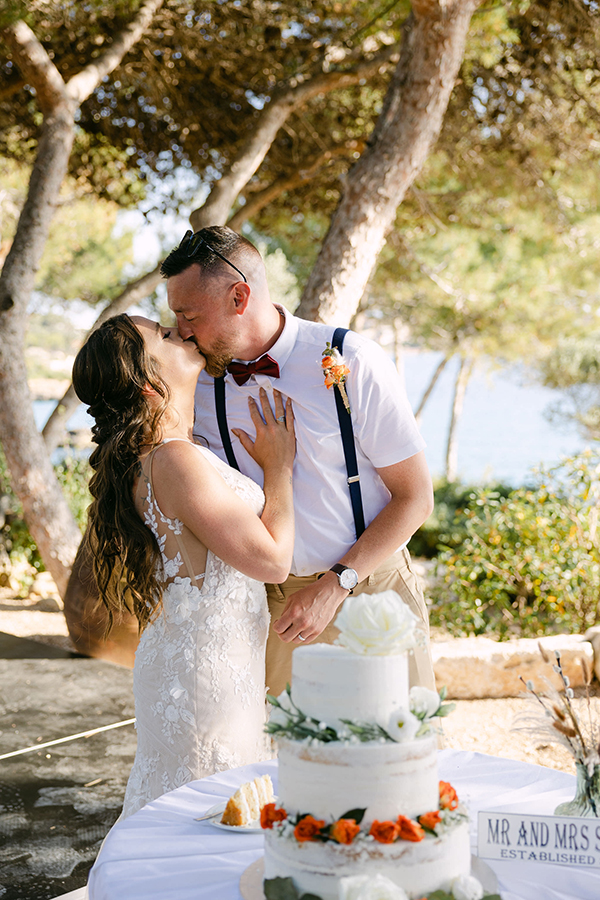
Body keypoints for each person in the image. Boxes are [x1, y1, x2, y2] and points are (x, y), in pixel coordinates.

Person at [160, 226, 436, 697]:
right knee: (297, 763)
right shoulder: (193, 384)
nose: (182, 330)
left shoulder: (351, 360)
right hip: (269, 610)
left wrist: (336, 585)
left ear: (239, 297)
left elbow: (415, 498)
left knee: (397, 753)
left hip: (370, 590)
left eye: (189, 315)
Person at [72, 313, 295, 818]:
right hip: (205, 673)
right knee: (204, 812)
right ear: (151, 384)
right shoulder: (174, 460)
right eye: (164, 335)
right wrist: (279, 468)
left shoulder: (161, 456)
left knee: (203, 810)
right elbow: (272, 561)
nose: (181, 331)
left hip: (206, 660)